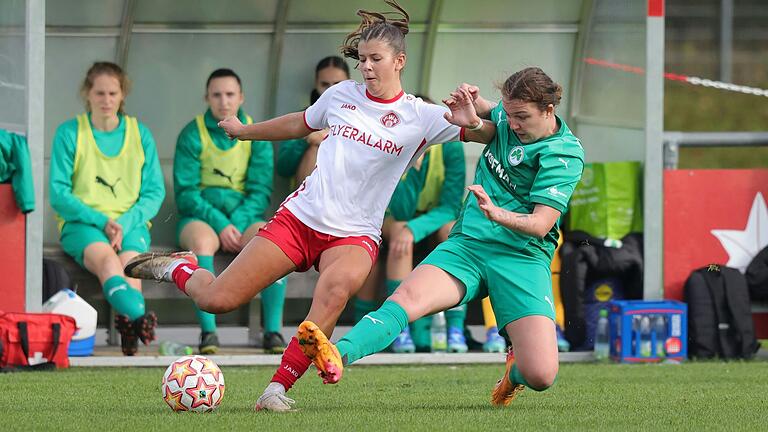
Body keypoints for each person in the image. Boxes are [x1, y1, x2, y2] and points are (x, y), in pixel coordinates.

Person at [124, 0, 482, 411]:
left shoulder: (421, 115)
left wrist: (473, 117)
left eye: (375, 59)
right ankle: (179, 267)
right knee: (217, 300)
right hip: (300, 220)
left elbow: (491, 131)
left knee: (333, 293)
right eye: (362, 59)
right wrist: (245, 131)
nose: (365, 67)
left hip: (354, 235)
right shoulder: (341, 95)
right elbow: (300, 122)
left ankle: (276, 390)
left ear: (399, 61)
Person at [296, 66, 585, 408]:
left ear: (548, 110)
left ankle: (514, 372)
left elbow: (540, 224)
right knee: (405, 300)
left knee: (541, 375)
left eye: (521, 117)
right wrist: (473, 102)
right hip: (470, 246)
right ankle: (337, 354)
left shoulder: (565, 154)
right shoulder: (510, 117)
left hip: (521, 257)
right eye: (509, 115)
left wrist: (498, 214)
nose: (513, 124)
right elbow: (486, 111)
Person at [49, 61, 164, 356]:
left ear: (123, 94)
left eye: (113, 93)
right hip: (82, 224)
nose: (106, 100)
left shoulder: (140, 134)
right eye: (99, 93)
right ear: (87, 93)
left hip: (130, 223)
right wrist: (102, 221)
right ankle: (138, 319)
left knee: (131, 265)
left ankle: (130, 329)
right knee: (109, 264)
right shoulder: (70, 132)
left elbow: (154, 192)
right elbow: (59, 193)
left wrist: (124, 222)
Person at [174, 68, 287, 354]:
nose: (224, 101)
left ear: (241, 97)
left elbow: (260, 190)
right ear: (207, 97)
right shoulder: (192, 133)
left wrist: (235, 222)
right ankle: (208, 333)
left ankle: (272, 331)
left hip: (244, 218)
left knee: (272, 238)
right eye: (217, 95)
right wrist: (221, 223)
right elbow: (186, 192)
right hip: (202, 218)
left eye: (230, 94)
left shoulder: (255, 131)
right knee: (201, 242)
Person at [353, 94, 469, 354]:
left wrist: (415, 228)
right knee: (398, 231)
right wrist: (410, 170)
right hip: (392, 219)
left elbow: (451, 205)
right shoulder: (392, 142)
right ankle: (405, 330)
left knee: (450, 231)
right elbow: (399, 208)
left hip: (433, 220)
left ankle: (455, 327)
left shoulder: (450, 146)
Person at [276, 56, 350, 186]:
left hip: (348, 193)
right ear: (316, 84)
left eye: (338, 84)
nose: (331, 90)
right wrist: (307, 140)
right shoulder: (303, 117)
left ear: (349, 82)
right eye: (325, 84)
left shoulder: (360, 117)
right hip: (307, 195)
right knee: (314, 148)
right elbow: (283, 169)